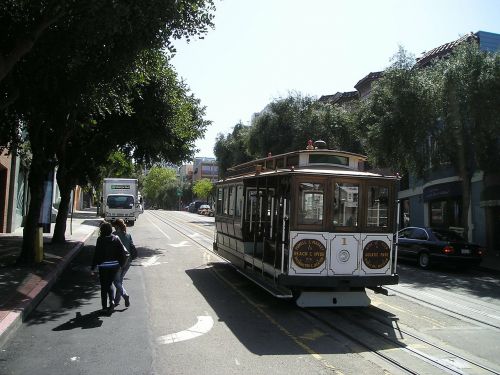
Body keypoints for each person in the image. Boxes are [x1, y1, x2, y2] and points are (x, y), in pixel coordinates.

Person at [91, 221, 129, 314]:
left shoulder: (100, 239)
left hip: (103, 266)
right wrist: (121, 264)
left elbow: (97, 254)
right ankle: (111, 302)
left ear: (102, 230)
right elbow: (122, 252)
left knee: (104, 286)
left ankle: (105, 306)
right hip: (115, 266)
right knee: (109, 283)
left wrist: (93, 267)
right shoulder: (116, 238)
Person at [112, 219, 136, 307]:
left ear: (117, 226)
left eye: (115, 226)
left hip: (118, 262)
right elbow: (132, 246)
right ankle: (117, 300)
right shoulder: (128, 235)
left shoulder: (114, 235)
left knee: (116, 281)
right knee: (120, 280)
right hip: (128, 261)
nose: (114, 227)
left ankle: (125, 295)